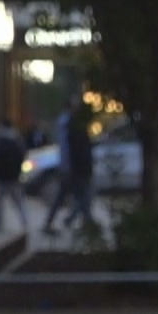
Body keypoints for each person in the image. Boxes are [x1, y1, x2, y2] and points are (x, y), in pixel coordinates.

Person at [42, 98, 97, 234]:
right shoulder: (70, 125)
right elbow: (68, 148)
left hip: (76, 167)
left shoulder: (72, 124)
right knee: (83, 196)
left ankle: (74, 221)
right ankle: (81, 222)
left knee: (77, 196)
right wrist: (67, 167)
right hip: (77, 168)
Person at [0, 117, 28, 234]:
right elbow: (22, 155)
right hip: (13, 177)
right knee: (19, 203)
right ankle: (24, 222)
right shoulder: (16, 140)